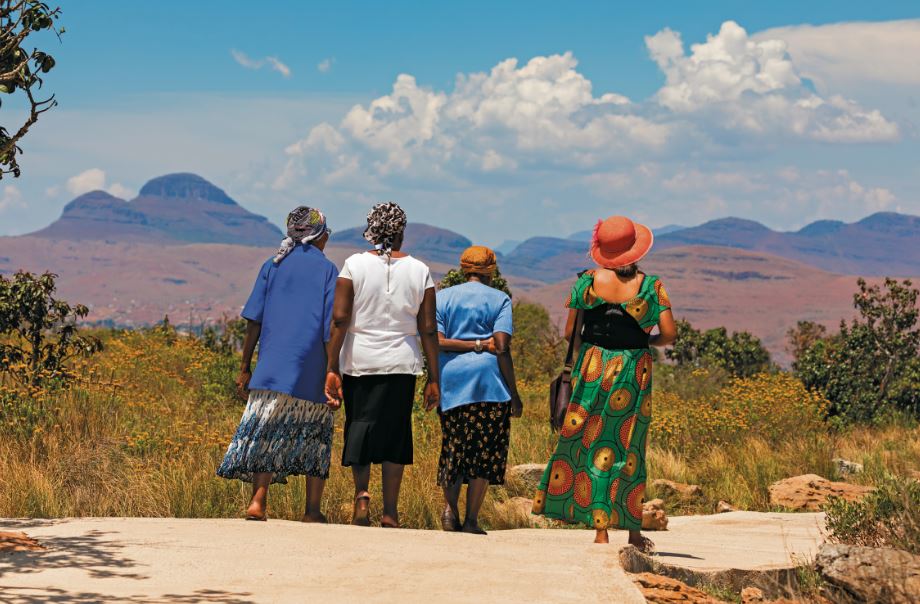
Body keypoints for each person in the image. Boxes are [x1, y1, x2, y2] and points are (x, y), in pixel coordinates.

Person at [532, 215, 677, 550]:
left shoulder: (585, 283)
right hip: (632, 371)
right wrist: (646, 343)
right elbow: (669, 334)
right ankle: (634, 533)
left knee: (594, 445)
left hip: (593, 366)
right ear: (636, 249)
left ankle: (600, 530)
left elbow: (571, 333)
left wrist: (591, 359)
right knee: (629, 447)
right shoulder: (651, 286)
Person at [217, 206, 339, 523]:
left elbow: (253, 321)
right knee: (316, 432)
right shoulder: (327, 270)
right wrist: (332, 368)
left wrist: (245, 366)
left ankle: (258, 501)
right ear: (318, 234)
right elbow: (330, 327)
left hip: (271, 365)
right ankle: (312, 510)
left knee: (266, 431)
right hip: (311, 364)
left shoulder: (272, 265)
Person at [325, 202, 440, 529]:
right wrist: (435, 377)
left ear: (372, 231)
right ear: (401, 232)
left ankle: (362, 494)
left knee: (359, 424)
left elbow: (340, 318)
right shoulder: (420, 270)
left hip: (360, 360)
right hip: (402, 363)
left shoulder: (353, 266)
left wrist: (332, 365)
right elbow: (428, 328)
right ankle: (390, 511)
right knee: (395, 432)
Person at [435, 246, 523, 535]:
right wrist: (514, 392)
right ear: (491, 270)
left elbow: (437, 341)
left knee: (454, 447)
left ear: (463, 269)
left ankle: (450, 510)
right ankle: (472, 520)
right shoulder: (501, 300)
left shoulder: (443, 296)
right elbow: (501, 346)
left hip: (453, 384)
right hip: (489, 385)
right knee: (483, 454)